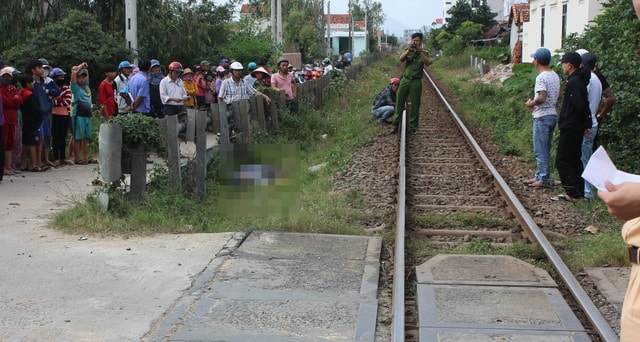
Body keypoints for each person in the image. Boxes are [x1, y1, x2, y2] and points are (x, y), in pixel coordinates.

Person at [551, 51, 591, 202]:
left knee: (563, 159)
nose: (562, 66)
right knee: (574, 159)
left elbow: (580, 105)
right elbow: (584, 105)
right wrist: (586, 124)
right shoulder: (579, 80)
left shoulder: (574, 82)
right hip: (577, 125)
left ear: (569, 64)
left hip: (571, 126)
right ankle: (578, 192)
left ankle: (571, 193)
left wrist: (575, 120)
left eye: (563, 64)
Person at [523, 47, 561, 188]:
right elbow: (558, 95)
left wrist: (531, 103)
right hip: (552, 114)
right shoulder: (554, 75)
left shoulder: (541, 77)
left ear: (537, 61)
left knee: (540, 149)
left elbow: (542, 97)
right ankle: (540, 175)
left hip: (541, 117)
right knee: (545, 147)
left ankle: (543, 179)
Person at [390, 32, 431, 135]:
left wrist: (419, 52)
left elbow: (428, 63)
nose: (415, 42)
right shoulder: (408, 50)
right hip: (405, 80)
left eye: (417, 40)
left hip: (416, 81)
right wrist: (409, 50)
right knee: (399, 102)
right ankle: (395, 125)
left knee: (415, 105)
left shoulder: (424, 52)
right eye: (413, 40)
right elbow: (401, 59)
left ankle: (413, 127)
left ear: (421, 41)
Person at [576, 51, 602, 200]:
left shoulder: (588, 80)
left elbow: (581, 101)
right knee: (587, 157)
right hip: (593, 122)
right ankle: (587, 190)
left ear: (582, 65)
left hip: (586, 124)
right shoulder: (597, 79)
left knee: (584, 158)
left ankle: (588, 192)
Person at [0, 67, 25, 175]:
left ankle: (9, 166)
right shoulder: (1, 89)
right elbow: (5, 102)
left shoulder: (13, 88)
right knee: (3, 143)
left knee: (10, 143)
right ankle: (4, 167)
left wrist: (15, 100)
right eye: (4, 77)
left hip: (13, 120)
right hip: (4, 120)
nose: (7, 79)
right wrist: (14, 100)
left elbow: (20, 100)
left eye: (8, 77)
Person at [17, 75, 43, 172]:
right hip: (33, 123)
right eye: (31, 82)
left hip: (24, 122)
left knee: (24, 143)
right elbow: (36, 110)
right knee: (33, 143)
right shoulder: (30, 95)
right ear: (27, 84)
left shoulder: (21, 93)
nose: (32, 84)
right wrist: (39, 118)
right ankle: (34, 164)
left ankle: (22, 164)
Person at [70, 63, 93, 165]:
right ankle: (77, 158)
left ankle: (85, 157)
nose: (82, 79)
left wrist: (85, 68)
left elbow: (87, 74)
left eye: (83, 77)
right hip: (79, 114)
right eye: (80, 78)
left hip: (87, 114)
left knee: (86, 137)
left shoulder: (86, 86)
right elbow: (74, 74)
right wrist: (79, 66)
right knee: (77, 137)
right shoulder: (75, 88)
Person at [50, 68, 73, 166]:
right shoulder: (51, 88)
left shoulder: (66, 88)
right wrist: (57, 100)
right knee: (55, 137)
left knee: (63, 137)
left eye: (63, 76)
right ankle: (56, 158)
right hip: (54, 115)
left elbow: (67, 101)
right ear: (54, 78)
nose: (62, 78)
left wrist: (56, 100)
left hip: (64, 115)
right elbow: (50, 101)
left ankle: (63, 157)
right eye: (59, 77)